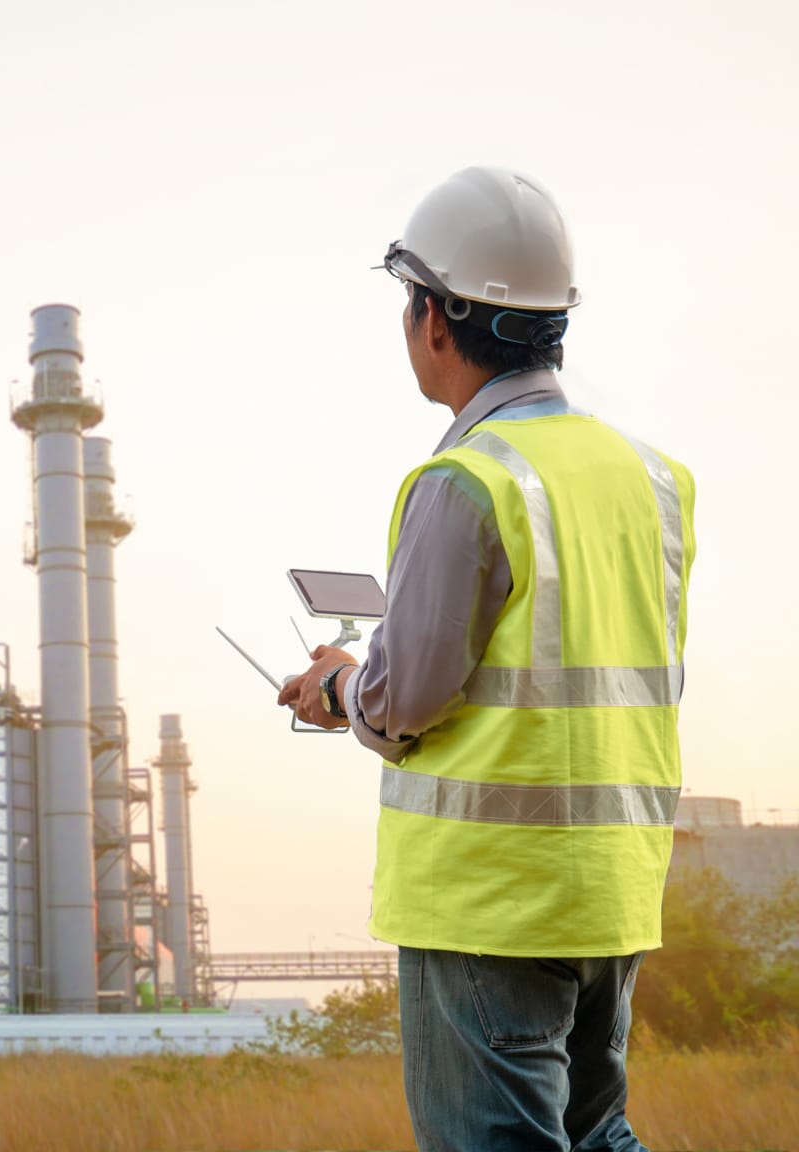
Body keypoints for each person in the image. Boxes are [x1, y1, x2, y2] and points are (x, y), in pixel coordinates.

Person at [277, 166, 695, 1152]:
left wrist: (338, 683)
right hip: (613, 887)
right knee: (597, 1138)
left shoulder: (464, 480)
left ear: (434, 317)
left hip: (490, 907)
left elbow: (403, 703)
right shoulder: (656, 480)